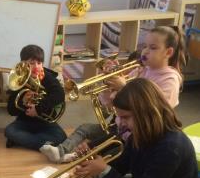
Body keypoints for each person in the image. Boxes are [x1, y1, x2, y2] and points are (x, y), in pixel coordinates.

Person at [42, 25, 186, 164]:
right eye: (145, 46)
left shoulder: (170, 79)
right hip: (120, 127)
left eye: (153, 48)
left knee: (96, 158)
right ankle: (61, 152)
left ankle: (78, 157)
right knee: (85, 130)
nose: (145, 51)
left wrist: (124, 87)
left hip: (139, 135)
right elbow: (111, 105)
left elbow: (156, 112)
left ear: (168, 52)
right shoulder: (140, 70)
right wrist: (108, 84)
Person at [4, 44, 66, 152]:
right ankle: (46, 145)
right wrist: (22, 101)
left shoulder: (48, 77)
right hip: (24, 122)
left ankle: (24, 140)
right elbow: (10, 110)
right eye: (31, 63)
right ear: (23, 64)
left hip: (45, 122)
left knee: (62, 137)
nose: (36, 67)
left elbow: (60, 94)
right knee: (9, 131)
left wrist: (38, 109)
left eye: (39, 63)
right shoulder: (19, 79)